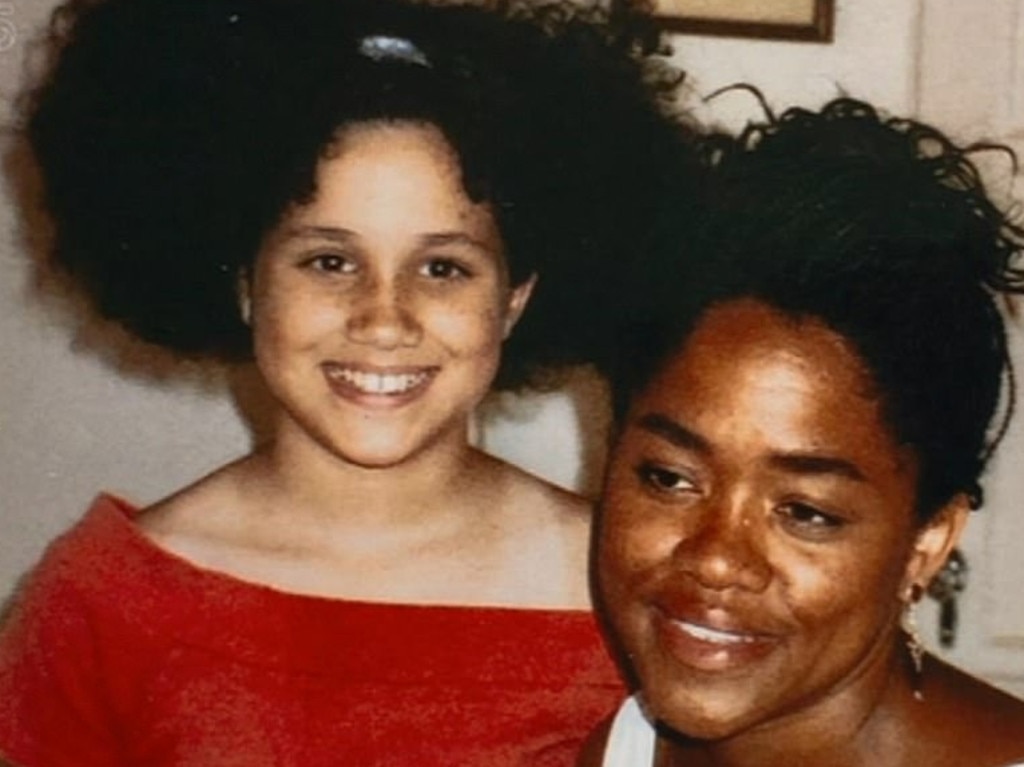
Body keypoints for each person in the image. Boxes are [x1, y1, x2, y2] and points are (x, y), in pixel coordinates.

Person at [0, 0, 696, 764]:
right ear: (245, 282)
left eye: (443, 267)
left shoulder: (634, 591)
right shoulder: (107, 602)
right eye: (330, 260)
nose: (384, 317)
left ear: (514, 299)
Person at [582, 97, 1024, 766]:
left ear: (927, 541)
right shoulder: (631, 746)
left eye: (805, 512)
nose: (717, 558)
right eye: (669, 477)